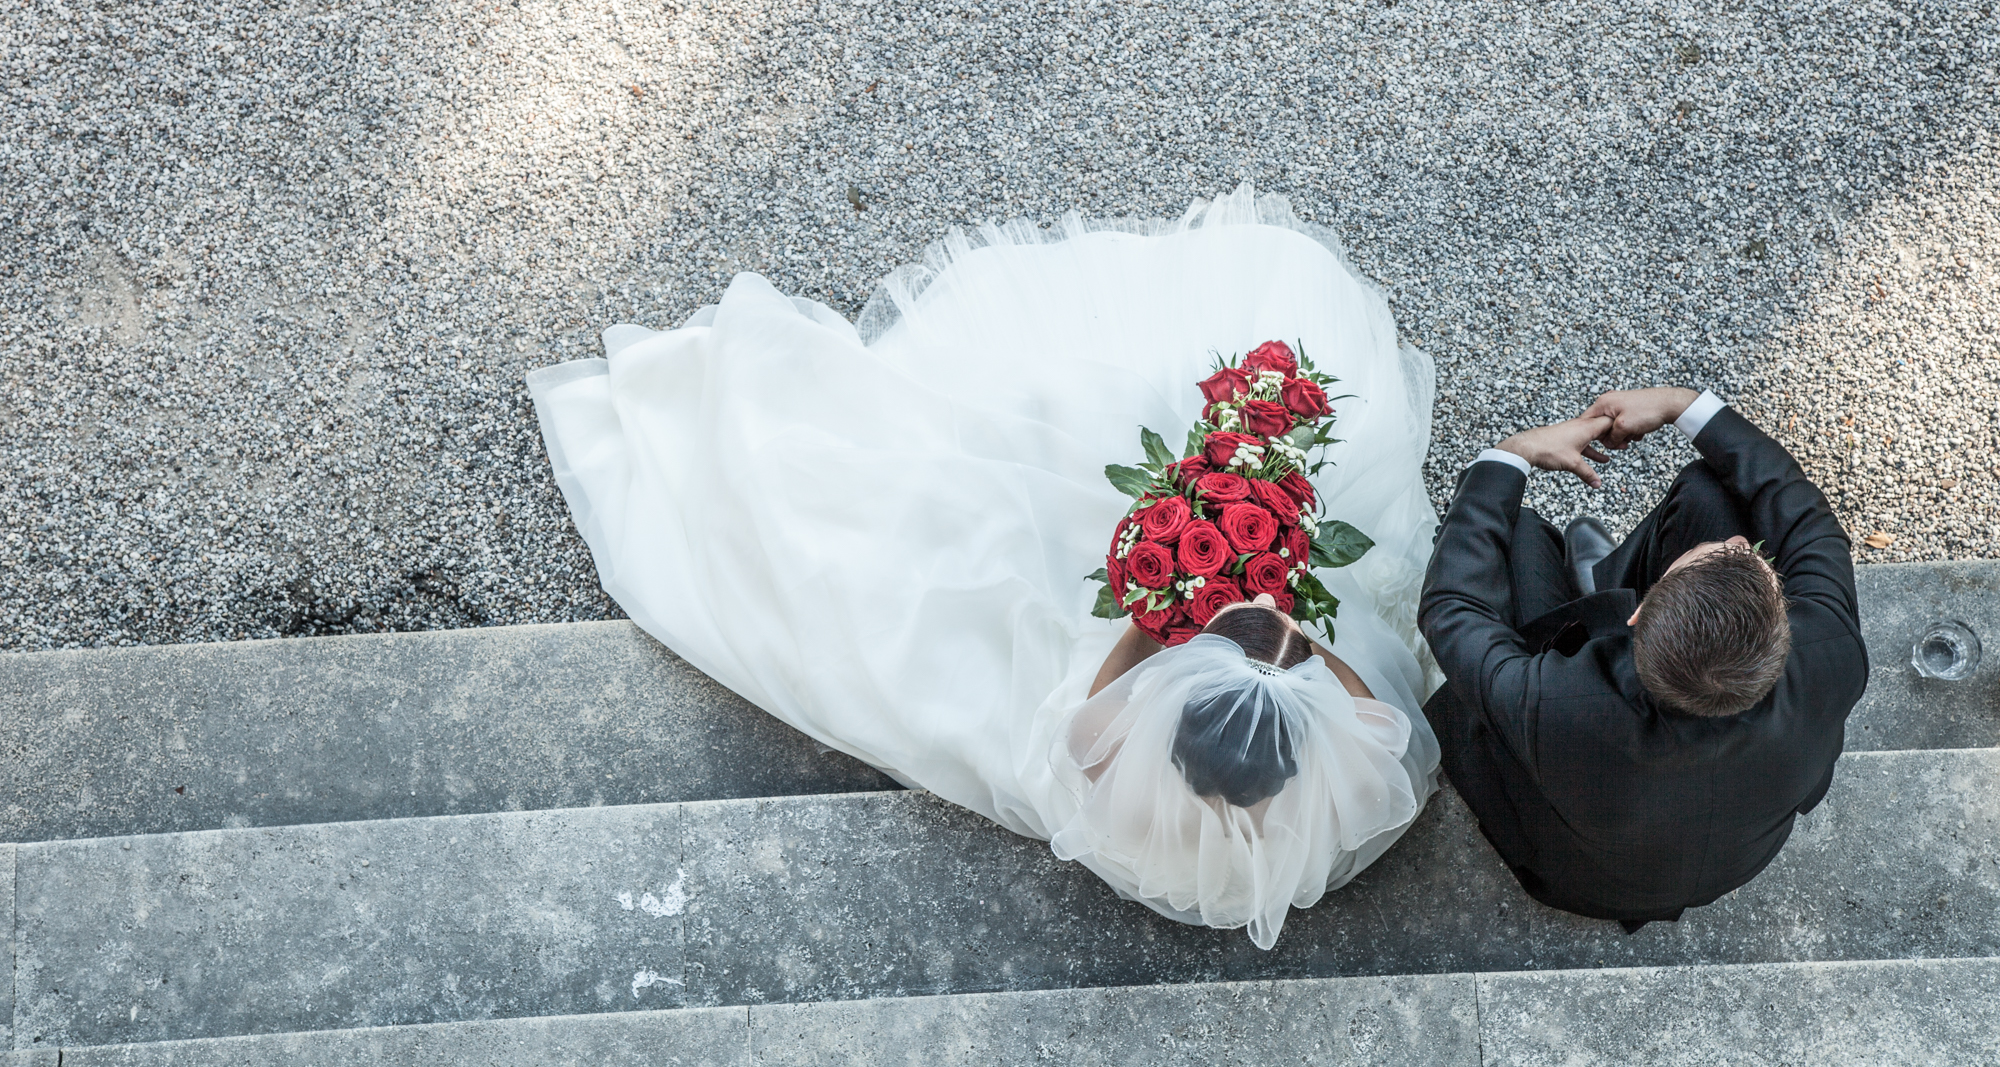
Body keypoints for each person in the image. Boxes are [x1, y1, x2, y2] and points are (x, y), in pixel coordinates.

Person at [528, 185, 1441, 948]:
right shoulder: (1348, 781)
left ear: (1178, 711)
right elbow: (1367, 710)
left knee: (1017, 519)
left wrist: (1156, 597)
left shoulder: (1103, 763)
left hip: (1185, 651)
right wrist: (1287, 629)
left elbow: (1107, 690)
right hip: (1243, 716)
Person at [1419, 386, 1868, 932]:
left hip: (1579, 871)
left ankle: (1585, 589)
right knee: (1711, 490)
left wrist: (1514, 452)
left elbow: (1454, 606)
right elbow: (1805, 516)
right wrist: (1683, 406)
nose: (1733, 541)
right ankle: (1599, 575)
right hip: (1726, 856)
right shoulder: (1829, 647)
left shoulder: (1552, 705)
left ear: (1634, 617)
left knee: (1515, 533)